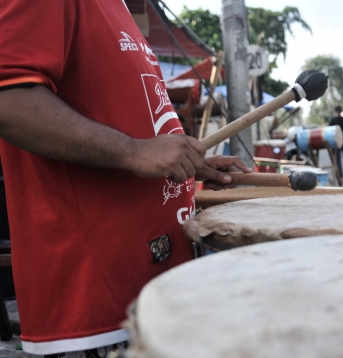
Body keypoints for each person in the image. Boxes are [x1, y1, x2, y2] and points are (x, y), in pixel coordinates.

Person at [0, 1, 252, 357]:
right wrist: (134, 151)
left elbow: (123, 122)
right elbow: (8, 101)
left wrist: (185, 164)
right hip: (93, 306)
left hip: (149, 282)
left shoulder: (118, 9)